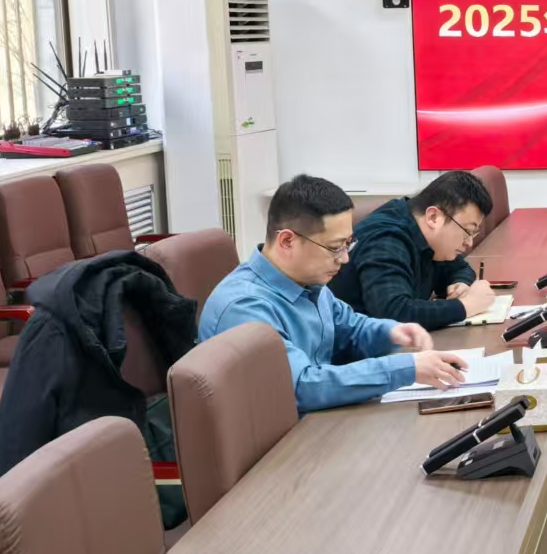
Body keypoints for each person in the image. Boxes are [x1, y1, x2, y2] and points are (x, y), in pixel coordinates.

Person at [199, 175, 467, 412]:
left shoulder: (306, 281)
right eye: (335, 247)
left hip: (319, 422)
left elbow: (348, 327)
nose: (345, 258)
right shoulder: (245, 308)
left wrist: (393, 332)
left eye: (348, 244)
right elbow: (302, 387)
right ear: (288, 241)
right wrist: (406, 368)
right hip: (282, 444)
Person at [331, 170, 497, 329]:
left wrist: (460, 283)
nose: (469, 243)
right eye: (467, 231)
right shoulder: (386, 240)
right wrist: (466, 306)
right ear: (433, 217)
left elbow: (459, 268)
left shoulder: (426, 234)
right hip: (351, 347)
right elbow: (393, 313)